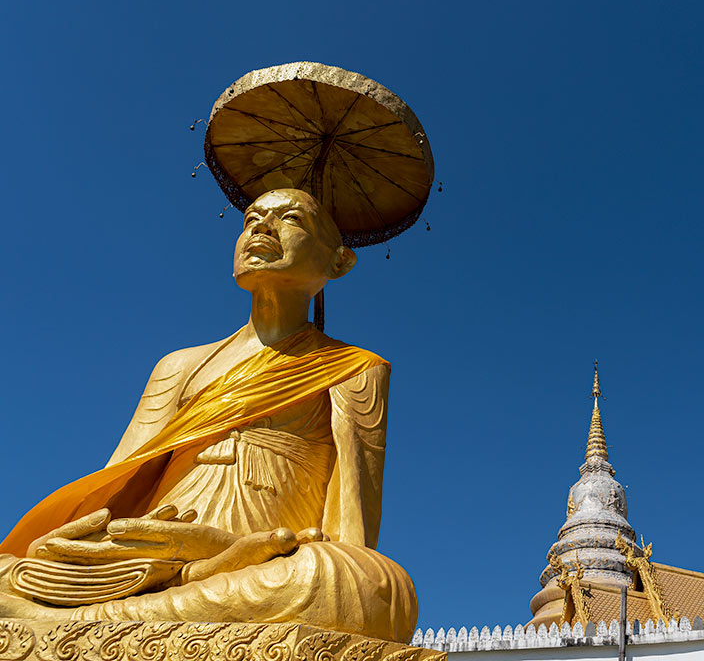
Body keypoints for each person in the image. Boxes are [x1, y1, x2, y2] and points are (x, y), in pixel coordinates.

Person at [0, 188, 417, 642]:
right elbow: (119, 478)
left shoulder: (354, 368)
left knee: (358, 581)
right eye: (251, 218)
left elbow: (352, 517)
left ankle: (80, 620)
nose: (262, 227)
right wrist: (71, 542)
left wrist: (228, 551)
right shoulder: (180, 366)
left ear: (339, 262)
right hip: (152, 552)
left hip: (269, 561)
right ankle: (127, 599)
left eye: (292, 219)